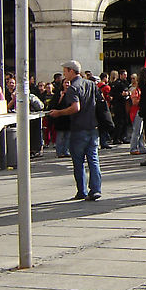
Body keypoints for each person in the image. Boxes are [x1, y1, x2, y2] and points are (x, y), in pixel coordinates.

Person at [47, 60, 102, 201]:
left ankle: (82, 191)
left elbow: (75, 107)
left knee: (78, 161)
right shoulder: (90, 84)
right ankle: (96, 189)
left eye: (65, 71)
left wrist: (59, 113)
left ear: (71, 71)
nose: (65, 75)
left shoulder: (73, 88)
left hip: (79, 128)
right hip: (92, 126)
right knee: (93, 159)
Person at [127, 72, 146, 156]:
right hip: (136, 112)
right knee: (137, 131)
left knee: (141, 131)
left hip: (140, 111)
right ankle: (133, 148)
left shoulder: (139, 90)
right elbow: (134, 102)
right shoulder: (135, 91)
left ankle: (142, 147)